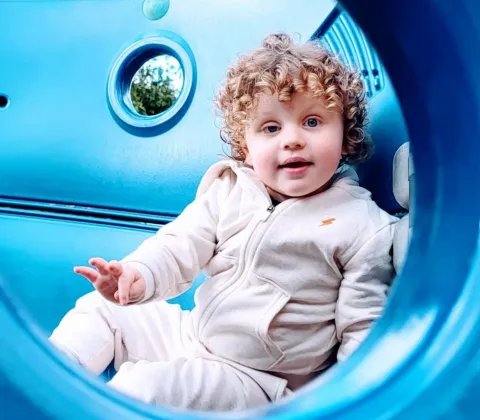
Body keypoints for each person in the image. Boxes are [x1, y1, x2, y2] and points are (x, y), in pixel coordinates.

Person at [50, 32, 397, 411]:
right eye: (271, 128)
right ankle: (45, 387)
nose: (292, 140)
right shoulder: (228, 190)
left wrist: (340, 405)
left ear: (345, 135)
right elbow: (178, 244)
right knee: (102, 311)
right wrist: (137, 276)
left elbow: (363, 329)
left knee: (144, 386)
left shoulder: (364, 226)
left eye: (312, 121)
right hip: (193, 333)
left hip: (260, 382)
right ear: (246, 146)